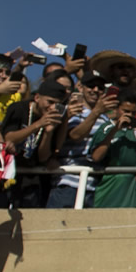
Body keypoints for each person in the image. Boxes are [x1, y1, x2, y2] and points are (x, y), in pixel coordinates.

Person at [50, 71, 118, 209]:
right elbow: (75, 136)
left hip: (93, 185)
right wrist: (96, 112)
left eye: (100, 87)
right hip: (68, 183)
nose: (95, 90)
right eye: (91, 86)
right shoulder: (72, 110)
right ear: (80, 87)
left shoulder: (105, 119)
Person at [0, 79, 69, 207]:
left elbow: (43, 157)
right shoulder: (18, 108)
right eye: (50, 102)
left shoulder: (55, 118)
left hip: (31, 179)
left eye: (57, 105)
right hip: (7, 174)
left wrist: (48, 133)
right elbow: (9, 138)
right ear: (37, 98)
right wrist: (38, 124)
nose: (52, 107)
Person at [89, 88, 136, 208]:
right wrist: (115, 130)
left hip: (132, 185)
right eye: (126, 111)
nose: (129, 115)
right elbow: (96, 157)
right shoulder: (106, 128)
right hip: (110, 183)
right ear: (117, 109)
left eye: (133, 112)